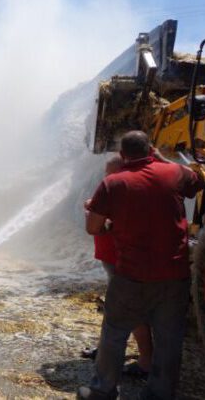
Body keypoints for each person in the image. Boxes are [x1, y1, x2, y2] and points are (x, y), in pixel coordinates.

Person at [78, 131, 205, 400]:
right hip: (174, 274)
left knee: (114, 333)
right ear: (151, 149)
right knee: (169, 338)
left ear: (123, 156)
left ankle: (102, 391)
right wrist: (162, 159)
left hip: (131, 275)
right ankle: (159, 393)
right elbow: (198, 182)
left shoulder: (113, 183)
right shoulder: (172, 174)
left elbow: (94, 227)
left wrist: (113, 224)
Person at [82, 154, 153, 379]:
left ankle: (146, 361)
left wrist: (93, 209)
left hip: (120, 259)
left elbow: (99, 223)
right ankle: (106, 350)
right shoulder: (118, 188)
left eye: (109, 172)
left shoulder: (125, 190)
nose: (106, 177)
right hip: (113, 257)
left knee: (132, 310)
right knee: (114, 305)